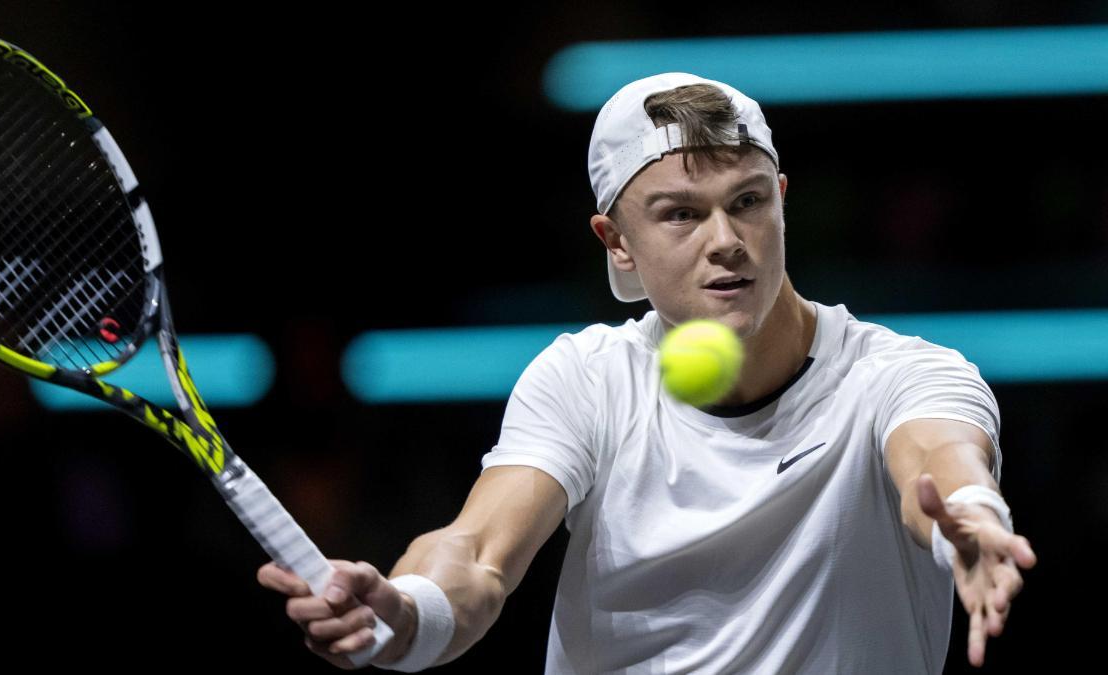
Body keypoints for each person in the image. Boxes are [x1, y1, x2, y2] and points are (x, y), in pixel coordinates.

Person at [257, 72, 1038, 673]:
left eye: (748, 201)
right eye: (681, 213)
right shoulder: (586, 379)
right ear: (616, 242)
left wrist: (967, 518)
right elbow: (478, 552)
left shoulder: (902, 374)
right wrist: (406, 611)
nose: (727, 239)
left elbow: (938, 459)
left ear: (783, 202)